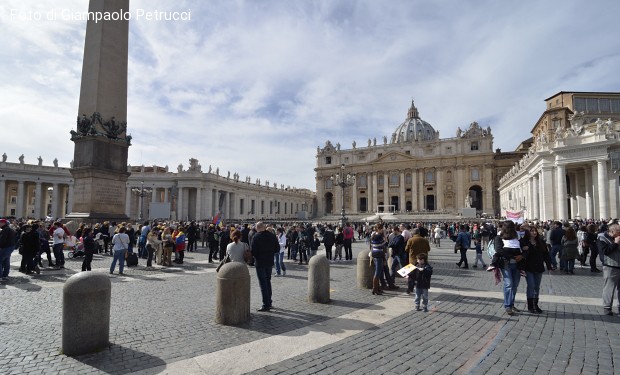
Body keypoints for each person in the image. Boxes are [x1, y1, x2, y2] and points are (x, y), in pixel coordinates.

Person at [495, 221, 524, 315]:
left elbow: (524, 248)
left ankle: (511, 304)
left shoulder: (518, 237)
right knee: (509, 284)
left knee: (514, 285)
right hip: (506, 263)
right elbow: (498, 250)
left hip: (517, 264)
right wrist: (511, 256)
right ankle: (507, 305)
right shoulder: (499, 237)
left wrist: (522, 256)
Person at [521, 228, 552, 313]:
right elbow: (520, 254)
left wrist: (549, 266)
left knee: (537, 287)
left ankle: (535, 305)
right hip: (528, 267)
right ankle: (530, 306)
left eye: (535, 231)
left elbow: (546, 255)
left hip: (539, 267)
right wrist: (524, 249)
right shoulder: (524, 242)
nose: (534, 232)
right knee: (531, 285)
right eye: (532, 231)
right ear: (528, 232)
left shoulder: (541, 242)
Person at [251, 222, 280, 312]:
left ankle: (266, 304)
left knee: (263, 283)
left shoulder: (256, 237)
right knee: (268, 281)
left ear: (257, 228)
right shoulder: (272, 236)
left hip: (260, 263)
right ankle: (269, 302)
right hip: (269, 262)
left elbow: (254, 252)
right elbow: (277, 249)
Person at [597, 223, 620, 316]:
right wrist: (615, 243)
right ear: (612, 231)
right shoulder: (602, 238)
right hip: (610, 266)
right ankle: (607, 307)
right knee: (609, 288)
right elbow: (605, 252)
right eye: (619, 231)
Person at [405, 228, 431, 294]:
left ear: (413, 233)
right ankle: (421, 288)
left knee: (410, 275)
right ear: (419, 233)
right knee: (421, 275)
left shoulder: (410, 240)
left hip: (412, 260)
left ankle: (410, 288)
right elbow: (428, 249)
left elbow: (406, 249)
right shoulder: (425, 240)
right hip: (423, 260)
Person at [370, 230, 387, 296]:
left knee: (377, 272)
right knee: (377, 272)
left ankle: (377, 287)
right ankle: (375, 289)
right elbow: (385, 243)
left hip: (374, 254)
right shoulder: (379, 238)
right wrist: (385, 237)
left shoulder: (373, 238)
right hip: (379, 255)